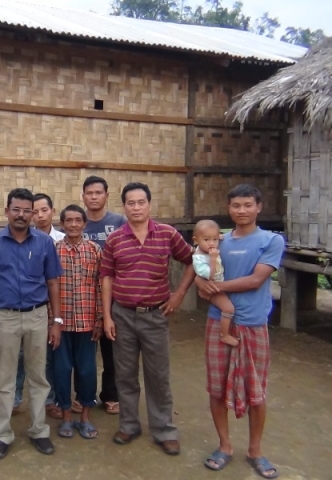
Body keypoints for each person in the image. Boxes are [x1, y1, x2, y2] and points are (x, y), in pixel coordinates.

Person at [196, 185, 284, 479]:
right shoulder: (217, 241)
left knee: (256, 390)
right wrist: (202, 284)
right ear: (228, 208)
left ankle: (255, 450)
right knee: (216, 387)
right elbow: (199, 273)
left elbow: (256, 280)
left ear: (259, 207)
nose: (242, 210)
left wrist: (214, 287)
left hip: (253, 324)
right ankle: (224, 445)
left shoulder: (271, 241)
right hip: (217, 321)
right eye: (236, 205)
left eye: (248, 205)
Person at [101, 182, 195, 456]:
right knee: (125, 375)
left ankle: (164, 430)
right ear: (124, 207)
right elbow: (106, 278)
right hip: (122, 315)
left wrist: (179, 294)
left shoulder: (167, 234)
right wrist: (107, 316)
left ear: (149, 205)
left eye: (141, 202)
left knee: (158, 376)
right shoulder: (114, 239)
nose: (136, 207)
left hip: (155, 316)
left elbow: (192, 260)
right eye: (131, 203)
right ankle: (129, 425)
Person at [0, 188, 63, 460]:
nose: (22, 215)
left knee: (38, 377)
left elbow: (53, 283)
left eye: (27, 210)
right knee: (5, 378)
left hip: (38, 315)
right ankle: (2, 434)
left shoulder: (44, 243)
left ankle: (39, 431)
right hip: (6, 317)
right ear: (7, 211)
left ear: (32, 213)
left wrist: (56, 321)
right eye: (16, 209)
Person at [6, 193, 65, 421]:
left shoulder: (61, 240)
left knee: (45, 359)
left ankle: (49, 402)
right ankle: (14, 400)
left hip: (51, 308)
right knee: (19, 358)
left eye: (44, 210)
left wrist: (57, 318)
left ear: (52, 212)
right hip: (24, 309)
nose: (39, 215)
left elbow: (54, 281)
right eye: (36, 211)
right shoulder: (13, 239)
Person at [53, 205, 103, 440]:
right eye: (68, 221)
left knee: (87, 370)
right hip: (60, 324)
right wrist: (51, 321)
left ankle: (84, 417)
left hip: (87, 322)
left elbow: (101, 285)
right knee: (62, 370)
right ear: (62, 224)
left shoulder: (94, 250)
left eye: (77, 220)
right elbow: (47, 286)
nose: (73, 224)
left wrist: (100, 318)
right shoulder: (53, 250)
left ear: (85, 224)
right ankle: (65, 416)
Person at [81, 175, 126, 415]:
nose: (94, 197)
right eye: (89, 193)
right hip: (83, 296)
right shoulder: (77, 222)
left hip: (114, 296)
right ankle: (82, 395)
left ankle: (111, 395)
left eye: (98, 193)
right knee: (83, 351)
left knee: (112, 349)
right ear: (83, 197)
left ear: (107, 196)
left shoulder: (120, 222)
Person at [192, 219, 238, 347]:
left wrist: (218, 237)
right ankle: (224, 334)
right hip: (213, 288)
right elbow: (210, 276)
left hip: (218, 285)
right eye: (206, 240)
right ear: (196, 240)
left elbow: (213, 238)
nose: (211, 243)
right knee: (228, 308)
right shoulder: (199, 258)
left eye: (215, 239)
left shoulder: (208, 248)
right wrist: (212, 259)